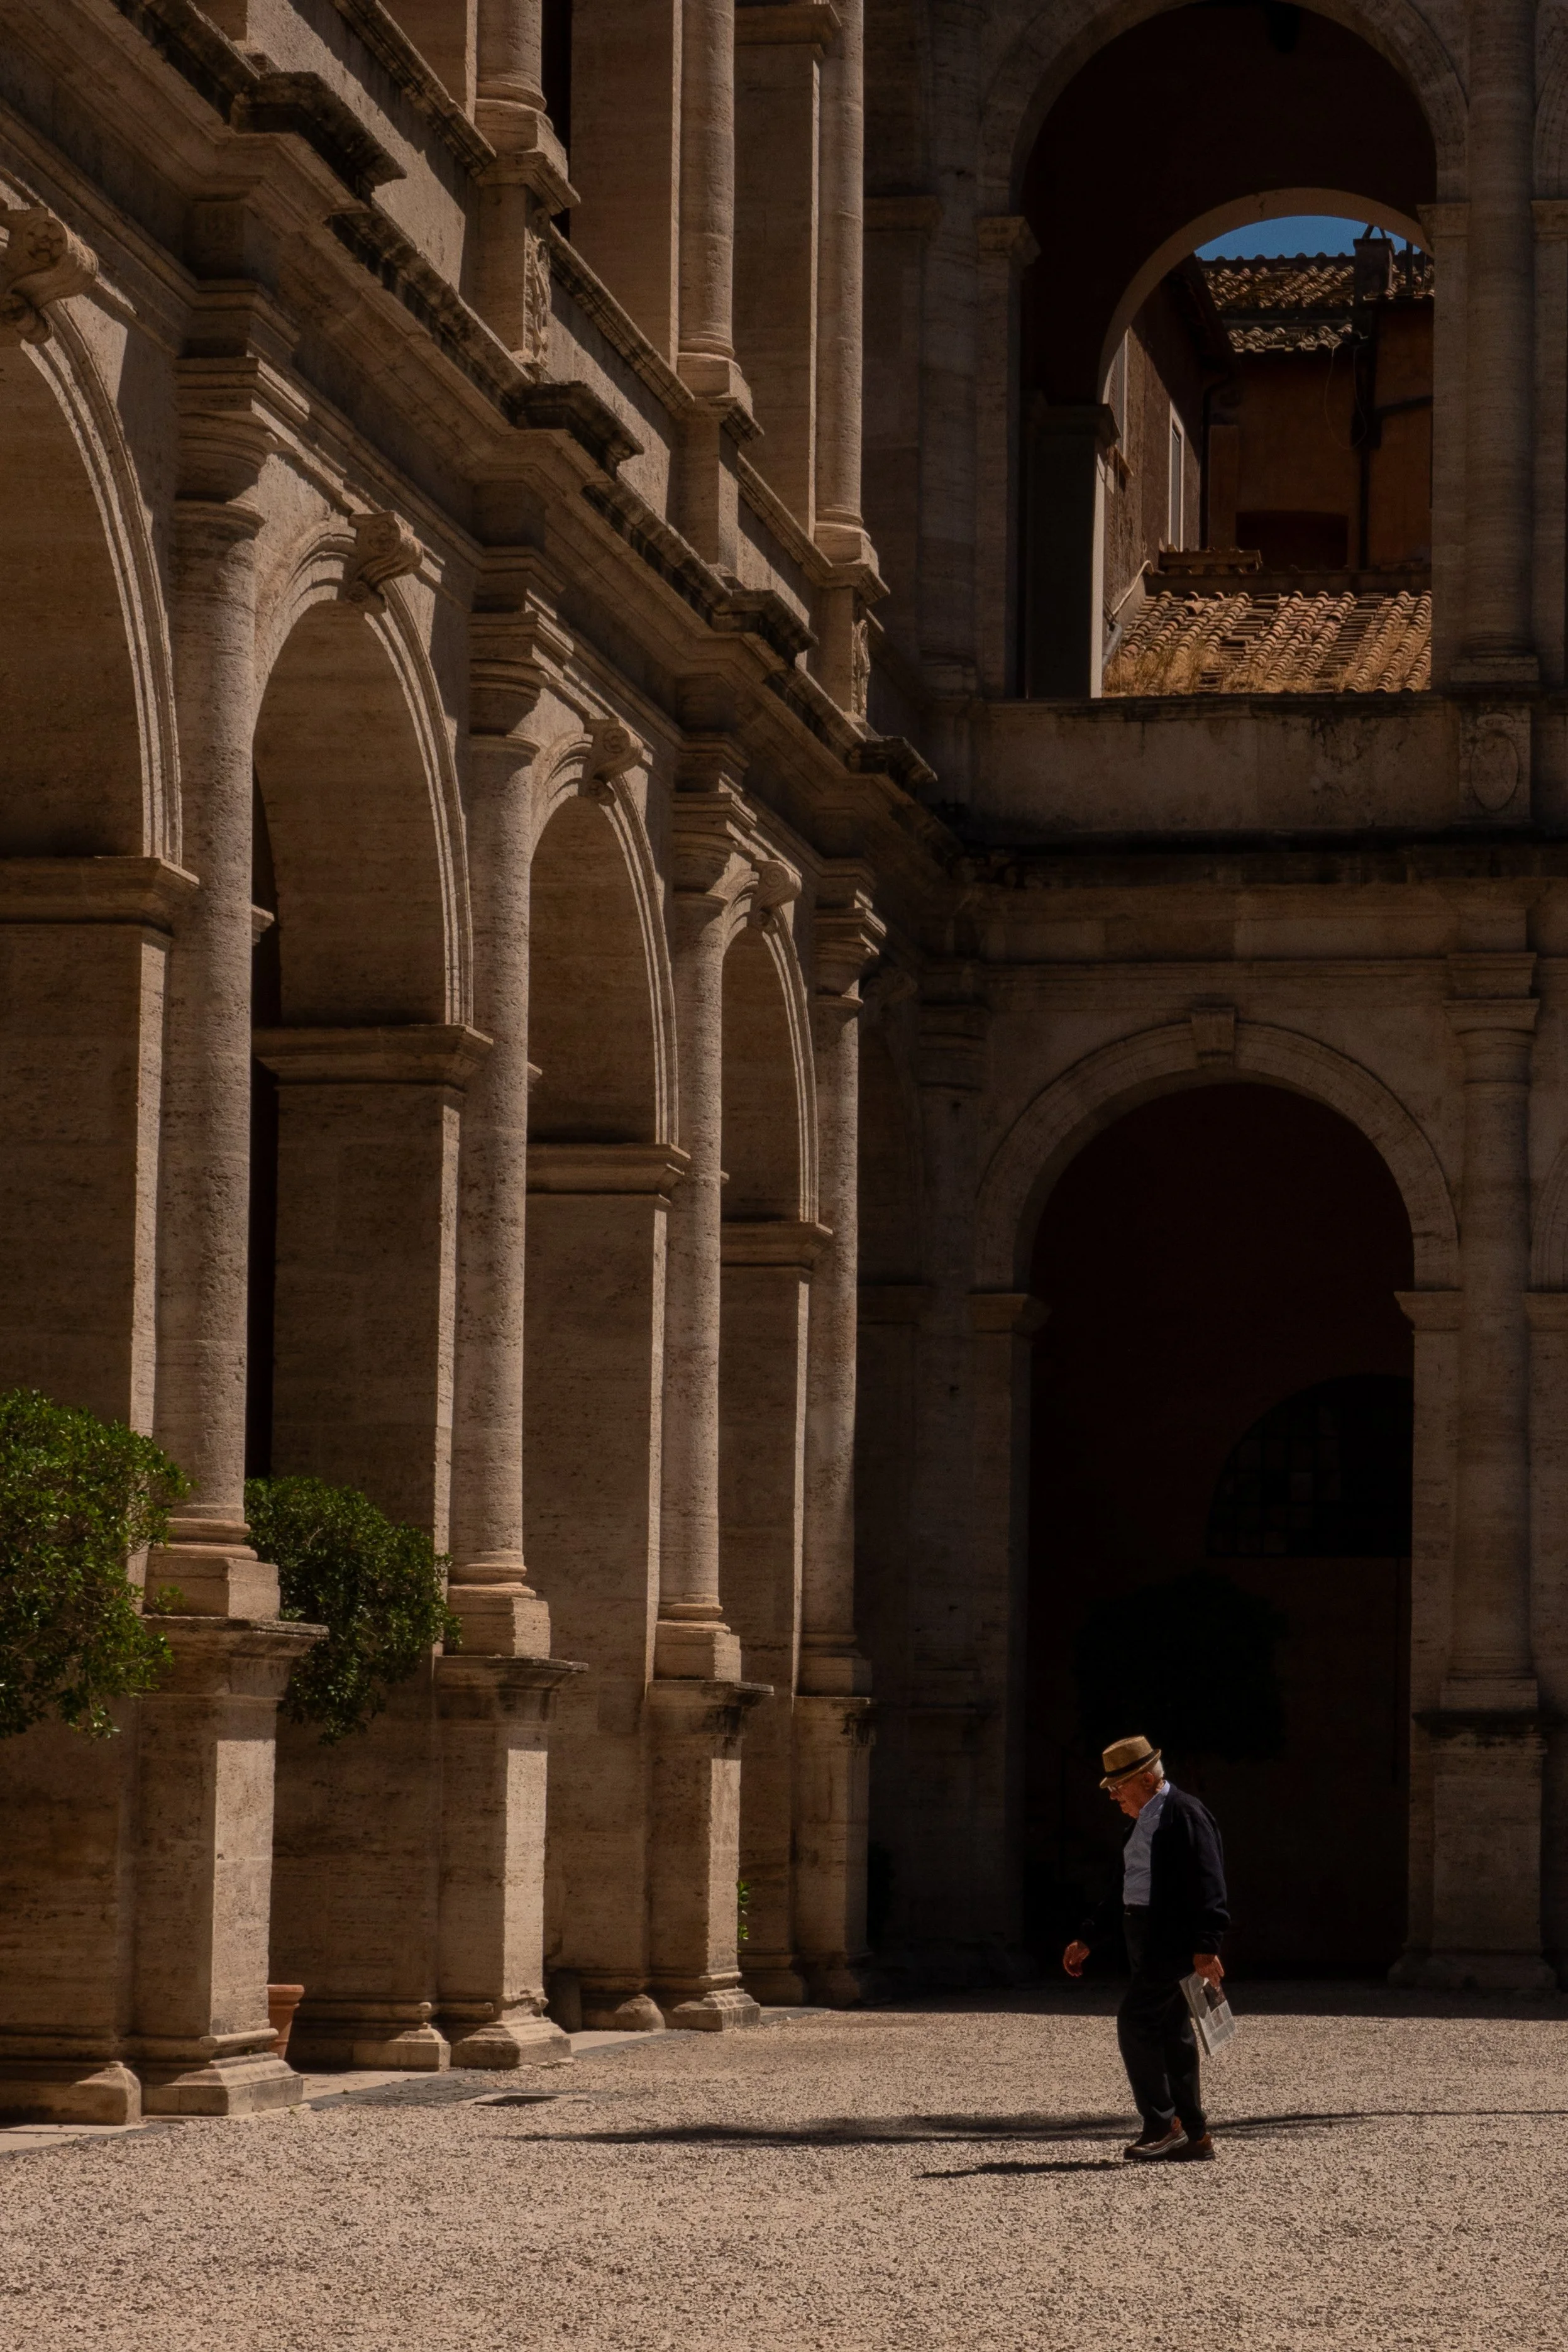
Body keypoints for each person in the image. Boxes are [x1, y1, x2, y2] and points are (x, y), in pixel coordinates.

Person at [1063, 1733, 1228, 2162]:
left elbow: (1210, 1881)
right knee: (1172, 2033)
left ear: (1148, 1779)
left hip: (1170, 1941)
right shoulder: (1140, 1822)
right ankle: (1194, 2133)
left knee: (1135, 2022)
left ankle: (1161, 2124)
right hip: (1144, 1936)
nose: (1115, 1796)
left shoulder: (1184, 1814)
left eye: (1120, 1786)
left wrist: (1207, 1944)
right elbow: (1124, 1885)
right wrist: (1088, 1936)